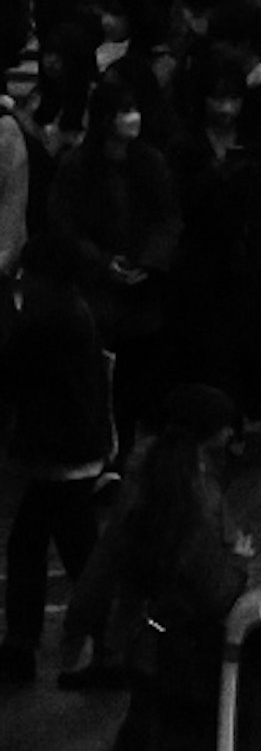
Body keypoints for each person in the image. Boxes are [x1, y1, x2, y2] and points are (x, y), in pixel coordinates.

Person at [68, 388, 247, 751]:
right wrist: (238, 561)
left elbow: (108, 556)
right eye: (227, 427)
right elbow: (215, 591)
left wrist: (83, 619)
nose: (232, 435)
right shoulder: (198, 496)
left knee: (144, 747)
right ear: (213, 432)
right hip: (181, 649)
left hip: (142, 637)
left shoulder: (146, 478)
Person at [0, 273, 117, 685]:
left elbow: (10, 376)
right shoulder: (74, 309)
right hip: (75, 448)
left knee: (66, 551)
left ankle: (97, 648)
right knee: (63, 547)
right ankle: (96, 647)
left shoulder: (44, 319)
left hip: (58, 453)